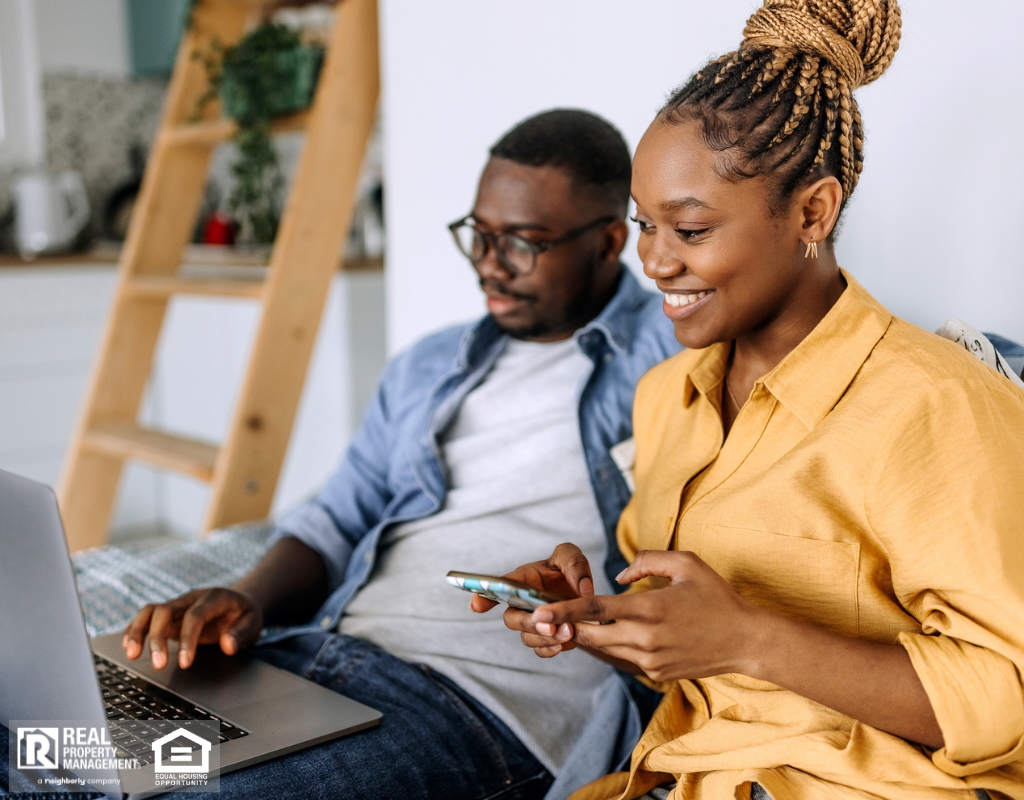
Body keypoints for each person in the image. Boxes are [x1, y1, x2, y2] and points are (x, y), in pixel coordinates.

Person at [483, 3, 1024, 799]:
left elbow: (1007, 694)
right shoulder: (667, 398)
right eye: (644, 225)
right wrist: (590, 616)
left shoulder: (936, 404)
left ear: (813, 212)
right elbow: (691, 652)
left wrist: (751, 639)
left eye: (691, 230)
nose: (654, 261)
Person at [63, 109, 677, 800]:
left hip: (474, 707)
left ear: (610, 242)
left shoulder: (677, 354)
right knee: (39, 751)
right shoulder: (430, 364)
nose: (488, 263)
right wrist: (248, 598)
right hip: (309, 659)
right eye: (479, 234)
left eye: (522, 243)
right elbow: (337, 515)